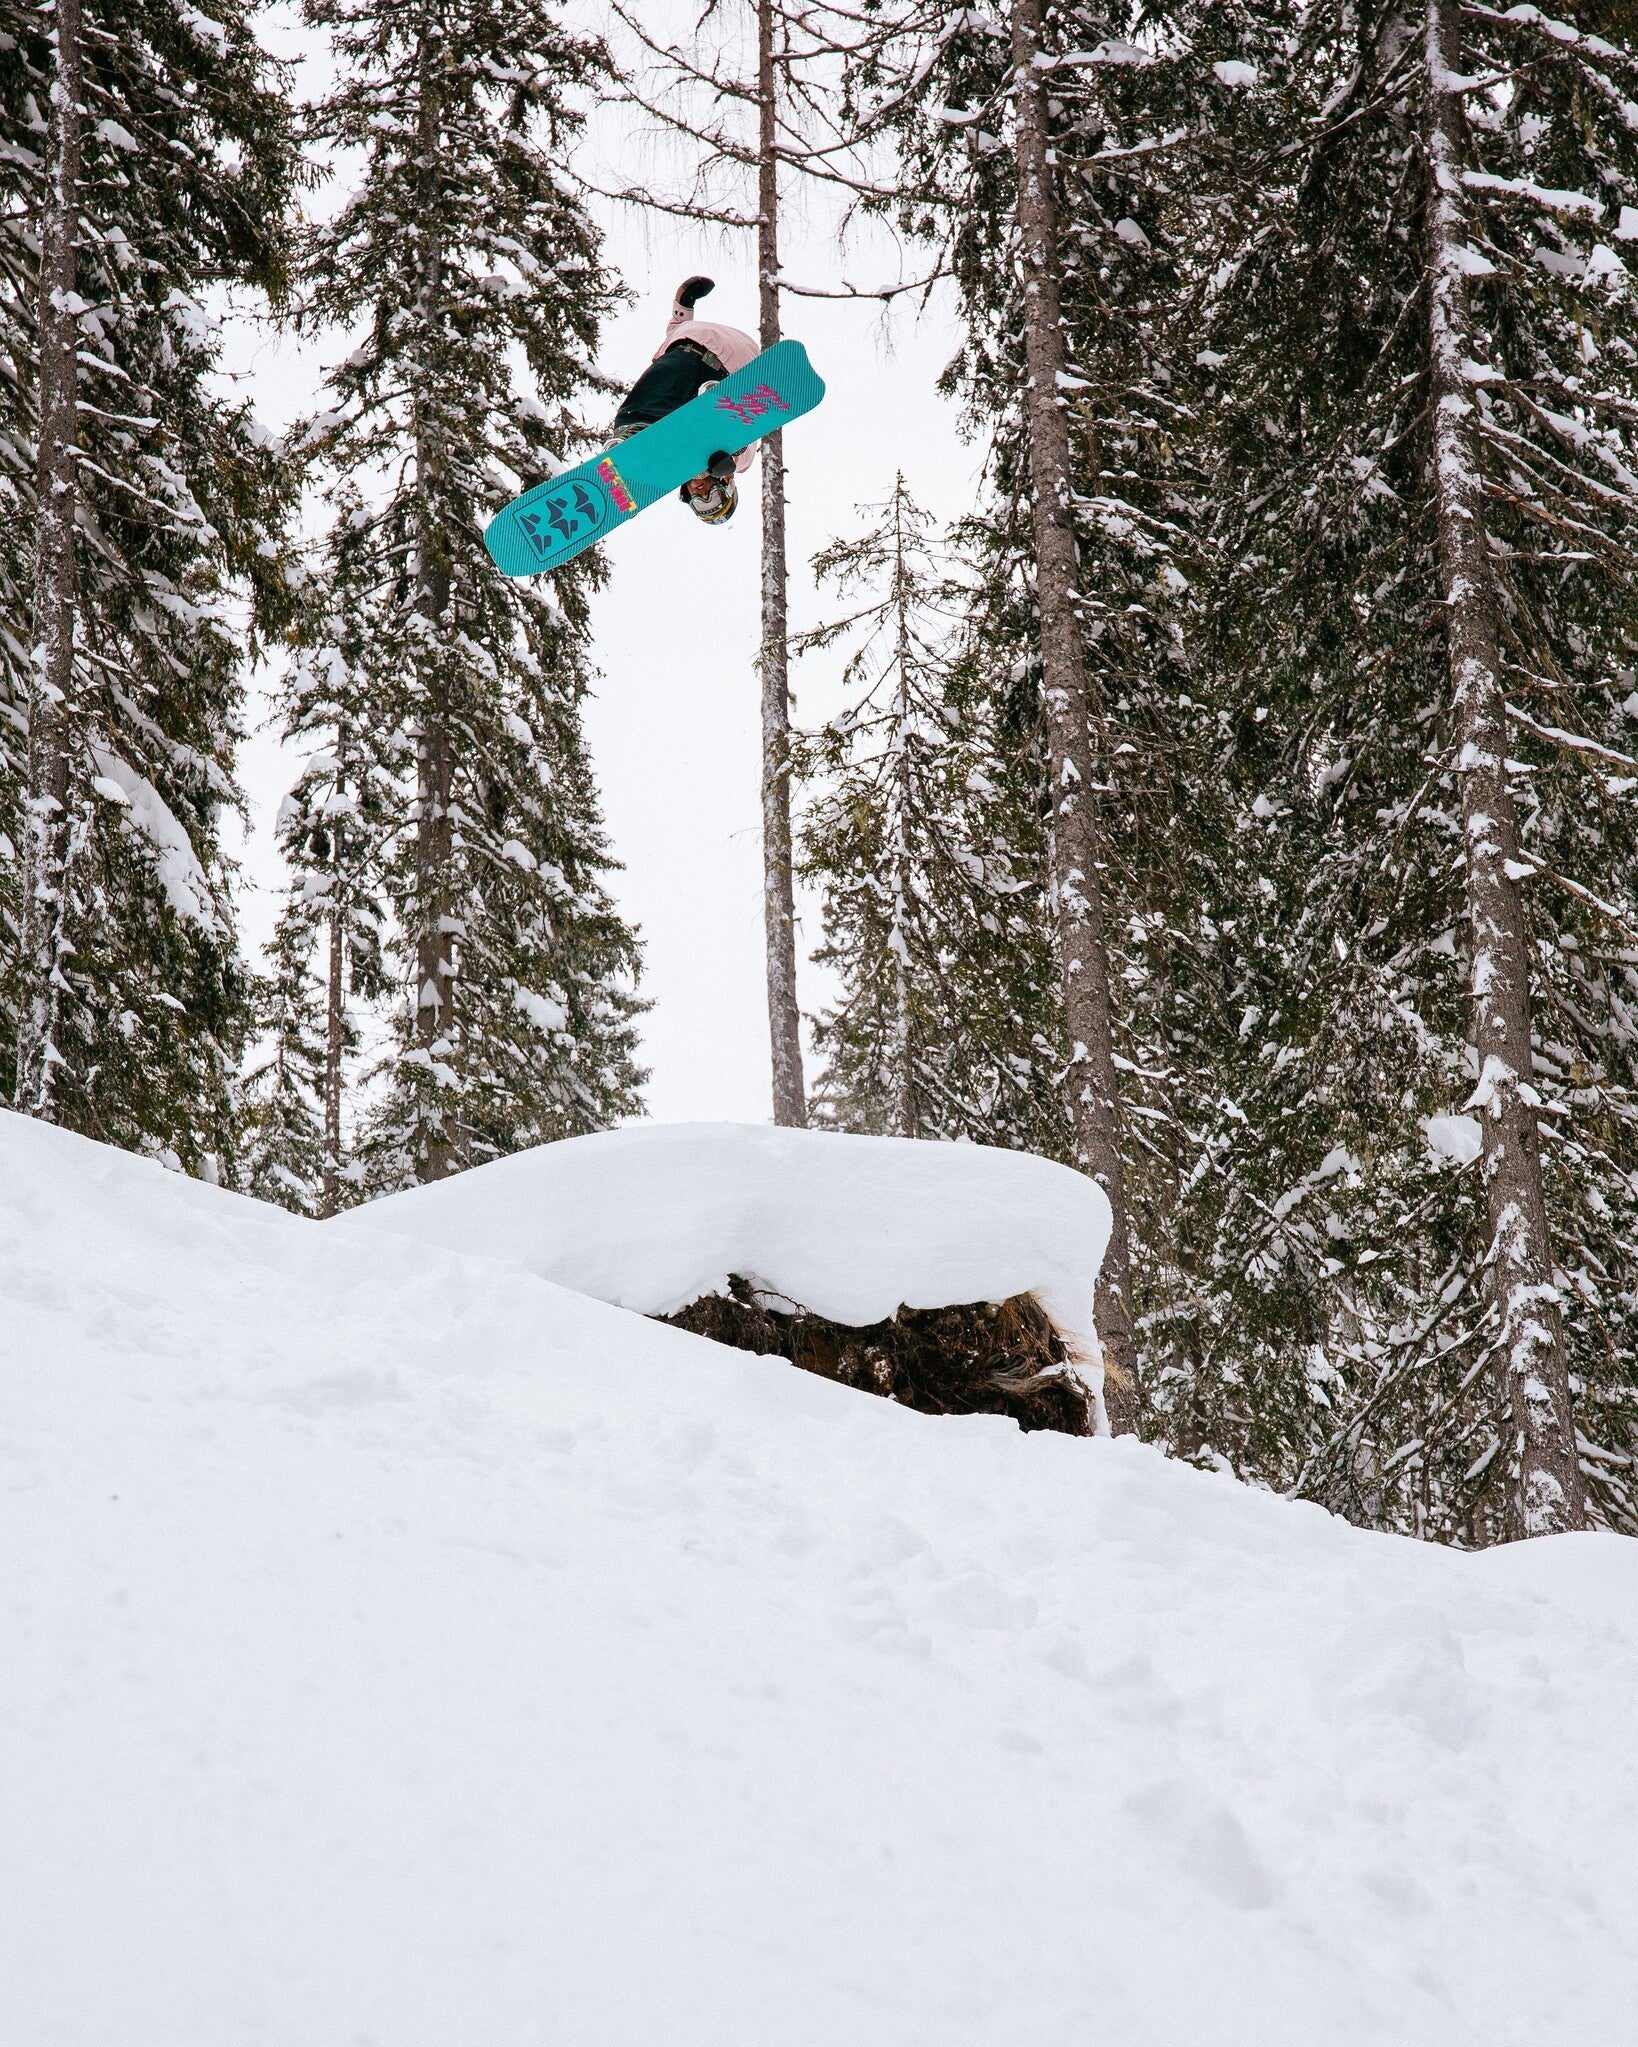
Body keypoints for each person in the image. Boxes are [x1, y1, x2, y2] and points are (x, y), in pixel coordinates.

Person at [609, 277, 760, 526]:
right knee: (692, 445)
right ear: (727, 485)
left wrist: (684, 301)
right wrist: (729, 461)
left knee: (652, 416)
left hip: (685, 349)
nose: (703, 493)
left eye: (700, 502)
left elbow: (678, 328)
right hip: (736, 366)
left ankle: (635, 434)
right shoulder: (740, 465)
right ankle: (716, 405)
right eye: (714, 498)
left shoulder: (669, 448)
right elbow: (748, 440)